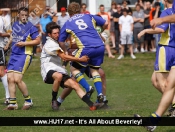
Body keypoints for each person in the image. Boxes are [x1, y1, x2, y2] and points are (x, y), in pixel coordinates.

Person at [135, 0, 175, 131]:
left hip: (167, 49)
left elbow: (161, 28)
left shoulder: (165, 12)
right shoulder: (170, 9)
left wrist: (152, 26)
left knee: (166, 84)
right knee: (158, 81)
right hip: (169, 49)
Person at [40, 22, 97, 110]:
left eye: (58, 33)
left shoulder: (58, 42)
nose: (57, 35)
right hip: (48, 69)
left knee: (74, 84)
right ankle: (54, 100)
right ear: (49, 34)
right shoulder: (50, 44)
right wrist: (80, 59)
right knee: (58, 76)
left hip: (58, 69)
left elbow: (66, 53)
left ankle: (91, 105)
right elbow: (63, 56)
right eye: (54, 33)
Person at [59, 2, 108, 103]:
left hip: (86, 48)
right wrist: (100, 30)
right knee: (95, 71)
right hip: (100, 46)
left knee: (73, 69)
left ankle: (88, 88)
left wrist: (65, 51)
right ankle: (100, 95)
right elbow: (105, 23)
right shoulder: (88, 16)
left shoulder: (68, 22)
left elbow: (61, 41)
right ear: (80, 10)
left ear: (69, 13)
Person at [5, 7, 41, 110]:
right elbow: (12, 36)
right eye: (22, 15)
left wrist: (24, 43)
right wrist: (8, 44)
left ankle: (28, 101)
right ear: (18, 15)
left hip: (24, 55)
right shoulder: (15, 24)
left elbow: (37, 41)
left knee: (17, 79)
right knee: (10, 78)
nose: (24, 17)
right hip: (14, 54)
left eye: (26, 15)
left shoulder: (31, 27)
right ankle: (13, 103)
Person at [0, 9, 11, 105]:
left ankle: (8, 97)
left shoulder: (1, 19)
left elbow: (2, 33)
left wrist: (9, 34)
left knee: (2, 72)